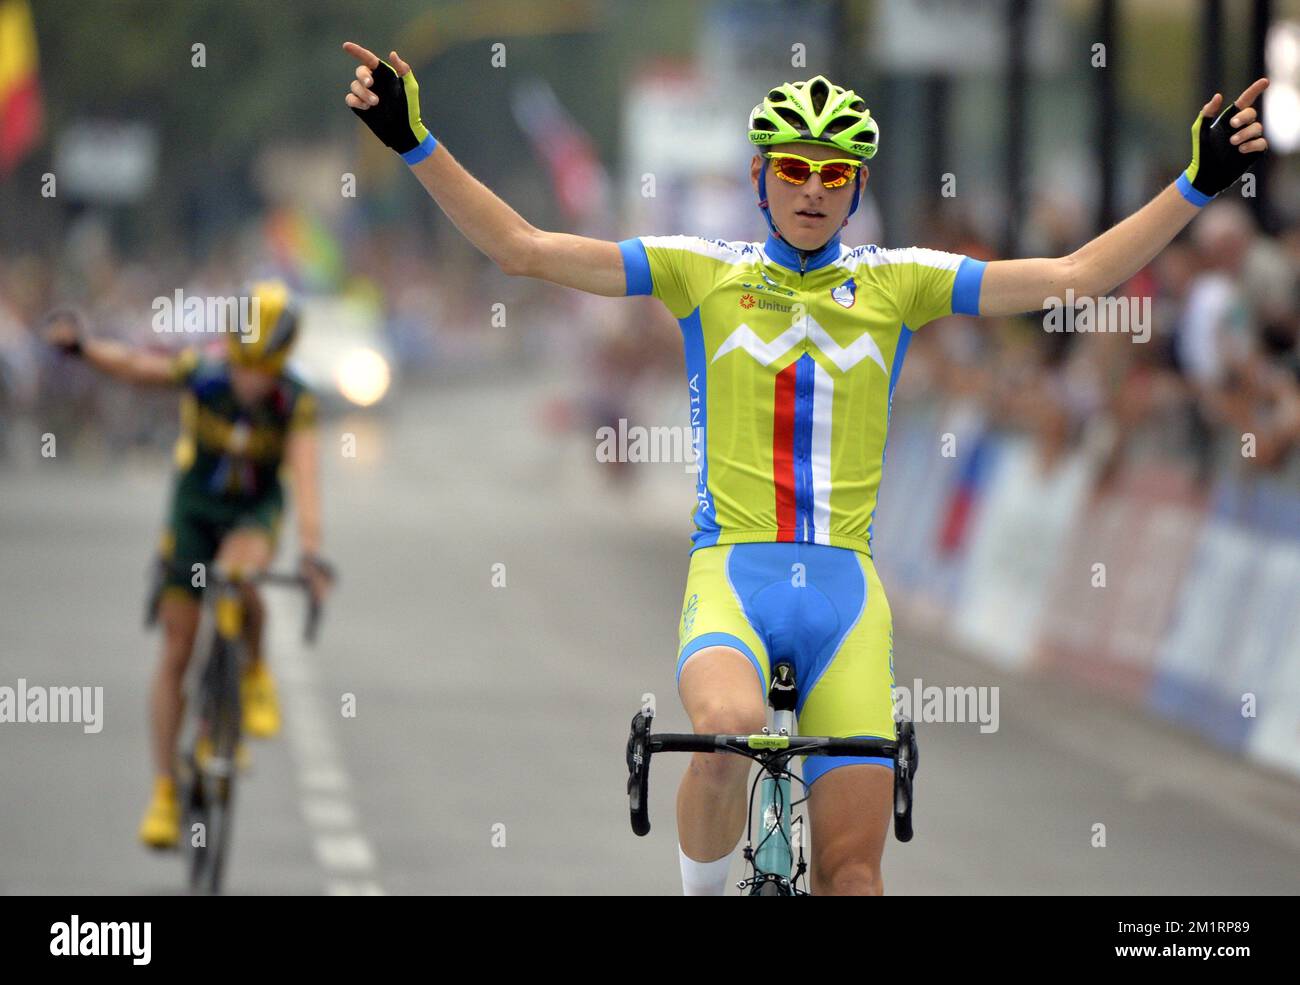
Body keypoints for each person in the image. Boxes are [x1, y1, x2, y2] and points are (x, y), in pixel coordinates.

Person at [341, 42, 1268, 894]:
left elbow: (1071, 280)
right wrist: (413, 141)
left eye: (834, 174)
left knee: (853, 879)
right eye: (794, 169)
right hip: (733, 576)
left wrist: (1196, 183)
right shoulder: (700, 269)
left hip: (846, 598)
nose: (813, 190)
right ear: (759, 177)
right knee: (727, 736)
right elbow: (525, 250)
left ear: (857, 186)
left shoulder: (900, 280)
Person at [42, 280, 333, 849]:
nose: (251, 382)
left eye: (264, 370)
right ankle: (164, 794)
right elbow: (132, 366)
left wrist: (313, 550)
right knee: (175, 648)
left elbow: (305, 476)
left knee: (239, 573)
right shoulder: (203, 374)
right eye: (244, 367)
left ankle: (252, 673)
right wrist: (82, 348)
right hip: (195, 509)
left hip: (252, 512)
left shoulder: (295, 400)